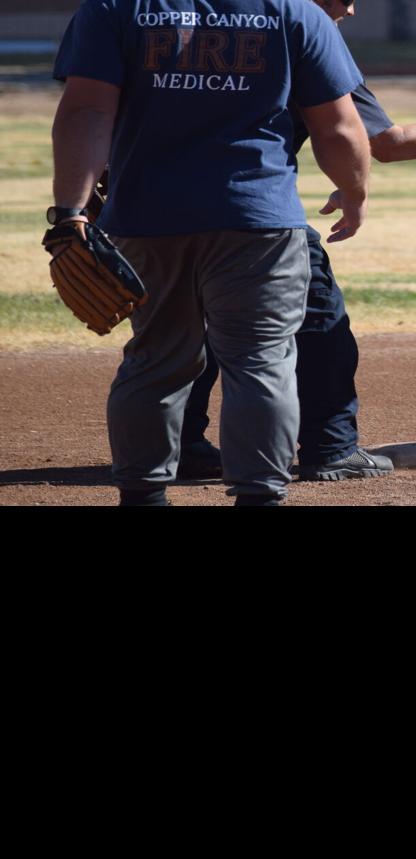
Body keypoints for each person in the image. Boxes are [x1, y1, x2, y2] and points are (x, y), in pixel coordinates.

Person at [51, 0, 371, 506]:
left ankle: (143, 496)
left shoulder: (115, 8)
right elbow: (337, 126)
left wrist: (69, 209)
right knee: (261, 361)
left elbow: (87, 109)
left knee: (155, 359)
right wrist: (353, 194)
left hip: (147, 218)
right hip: (258, 218)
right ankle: (259, 496)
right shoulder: (295, 12)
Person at [178, 0, 416, 482]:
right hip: (252, 210)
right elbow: (382, 142)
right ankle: (330, 448)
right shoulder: (302, 27)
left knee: (181, 330)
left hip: (149, 213)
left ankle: (174, 448)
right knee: (318, 324)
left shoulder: (160, 20)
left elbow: (96, 108)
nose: (351, 7)